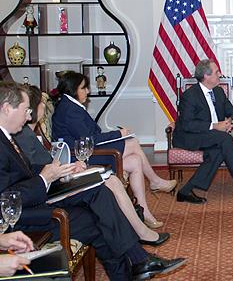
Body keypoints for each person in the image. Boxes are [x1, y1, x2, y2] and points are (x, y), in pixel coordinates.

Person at [0, 82, 186, 280]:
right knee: (99, 220)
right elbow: (6, 197)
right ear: (7, 108)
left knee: (98, 192)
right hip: (23, 219)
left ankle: (138, 262)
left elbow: (24, 173)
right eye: (26, 110)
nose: (29, 116)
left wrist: (59, 170)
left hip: (36, 199)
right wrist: (44, 178)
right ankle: (138, 261)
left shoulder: (7, 137)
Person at [16, 85, 169, 246]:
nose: (45, 107)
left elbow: (45, 164)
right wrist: (67, 169)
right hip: (53, 189)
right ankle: (140, 232)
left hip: (60, 177)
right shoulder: (24, 136)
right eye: (41, 103)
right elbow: (37, 174)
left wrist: (71, 167)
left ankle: (140, 227)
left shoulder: (29, 133)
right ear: (32, 110)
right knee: (110, 179)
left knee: (120, 171)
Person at [51, 72, 176, 229]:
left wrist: (117, 135)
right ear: (72, 89)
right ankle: (155, 181)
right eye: (84, 88)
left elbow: (90, 136)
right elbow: (90, 139)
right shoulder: (70, 110)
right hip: (79, 158)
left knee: (135, 161)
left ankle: (144, 213)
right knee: (132, 143)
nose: (87, 91)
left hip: (87, 151)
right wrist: (118, 134)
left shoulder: (70, 105)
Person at [172, 59, 233, 203]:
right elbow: (188, 125)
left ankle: (185, 191)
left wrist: (232, 122)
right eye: (216, 72)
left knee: (217, 151)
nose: (220, 74)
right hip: (190, 136)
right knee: (224, 139)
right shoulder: (190, 96)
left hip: (212, 136)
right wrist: (214, 126)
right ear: (206, 76)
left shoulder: (218, 92)